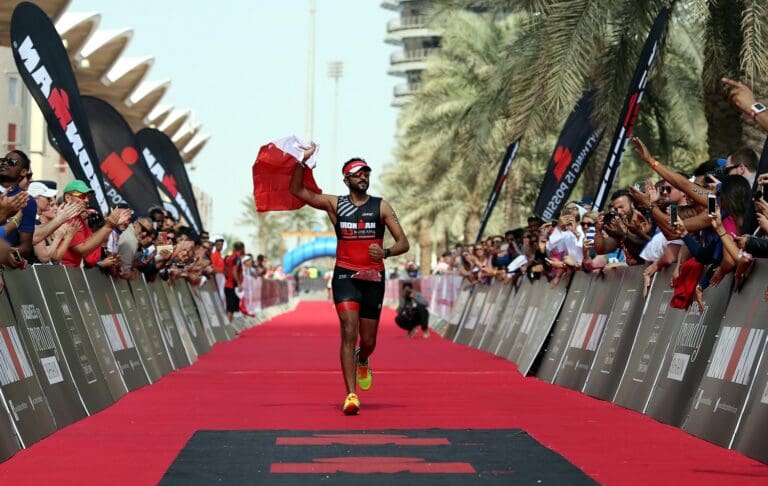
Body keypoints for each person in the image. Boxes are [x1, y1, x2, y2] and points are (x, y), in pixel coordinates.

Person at [290, 147, 409, 415]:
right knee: (348, 331)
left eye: (366, 172)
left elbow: (404, 243)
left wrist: (387, 252)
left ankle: (363, 358)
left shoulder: (381, 206)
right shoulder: (335, 204)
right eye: (357, 174)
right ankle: (351, 394)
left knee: (367, 341)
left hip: (373, 277)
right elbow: (298, 191)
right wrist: (303, 160)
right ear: (347, 180)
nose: (363, 177)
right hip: (345, 274)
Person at [224, 241, 245, 322]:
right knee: (230, 309)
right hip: (232, 286)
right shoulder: (236, 258)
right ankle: (228, 326)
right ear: (242, 249)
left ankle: (228, 327)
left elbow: (226, 270)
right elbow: (234, 271)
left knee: (230, 309)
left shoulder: (230, 257)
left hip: (228, 285)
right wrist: (239, 283)